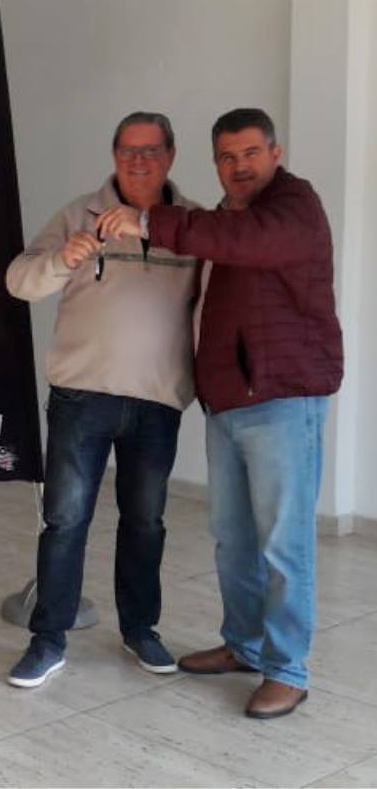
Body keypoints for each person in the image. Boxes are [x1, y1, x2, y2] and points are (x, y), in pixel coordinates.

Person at [98, 108, 342, 719]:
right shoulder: (223, 220)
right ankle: (244, 645)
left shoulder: (294, 207)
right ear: (214, 163)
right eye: (228, 157)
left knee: (283, 544)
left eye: (251, 153)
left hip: (283, 398)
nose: (240, 166)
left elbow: (243, 242)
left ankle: (287, 670)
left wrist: (148, 221)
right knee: (233, 540)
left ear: (275, 153)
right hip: (229, 402)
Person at [4, 111, 200, 688]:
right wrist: (62, 259)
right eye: (127, 150)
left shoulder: (193, 224)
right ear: (114, 156)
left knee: (146, 522)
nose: (139, 161)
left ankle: (141, 629)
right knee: (65, 520)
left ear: (170, 155)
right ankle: (48, 639)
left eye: (151, 150)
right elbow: (19, 282)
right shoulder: (77, 215)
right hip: (81, 397)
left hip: (156, 401)